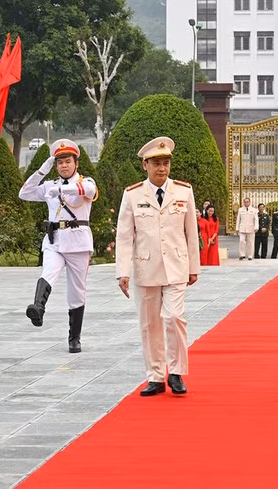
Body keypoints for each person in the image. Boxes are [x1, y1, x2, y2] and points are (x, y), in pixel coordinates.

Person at [115, 136, 200, 396]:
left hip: (176, 266)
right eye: (156, 164)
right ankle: (155, 375)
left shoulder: (183, 191)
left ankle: (176, 372)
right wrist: (122, 272)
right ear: (145, 166)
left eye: (166, 163)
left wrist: (193, 267)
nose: (162, 168)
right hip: (146, 268)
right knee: (149, 323)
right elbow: (124, 235)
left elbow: (191, 232)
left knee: (174, 318)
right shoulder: (132, 195)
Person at [19, 139, 97, 353]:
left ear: (76, 163)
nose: (64, 165)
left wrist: (63, 191)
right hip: (54, 241)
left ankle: (74, 338)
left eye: (68, 161)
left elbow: (87, 190)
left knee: (76, 293)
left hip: (78, 243)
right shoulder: (49, 185)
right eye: (59, 162)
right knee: (49, 271)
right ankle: (38, 308)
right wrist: (42, 171)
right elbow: (23, 193)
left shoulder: (86, 181)